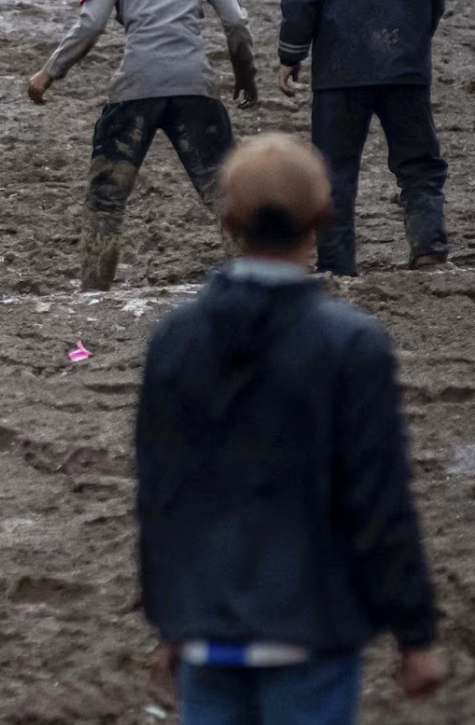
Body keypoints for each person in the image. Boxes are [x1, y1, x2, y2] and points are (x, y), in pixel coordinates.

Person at [136, 133, 449, 723]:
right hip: (313, 627)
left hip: (207, 628)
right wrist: (414, 634)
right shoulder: (350, 344)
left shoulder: (175, 340)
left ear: (228, 221)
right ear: (322, 218)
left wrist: (169, 619)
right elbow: (378, 498)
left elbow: (160, 491)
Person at [28, 0, 256, 290]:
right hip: (196, 87)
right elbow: (236, 24)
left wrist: (49, 72)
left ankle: (94, 294)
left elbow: (91, 25)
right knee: (226, 195)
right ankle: (258, 284)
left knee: (106, 200)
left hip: (134, 88)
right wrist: (246, 77)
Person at [277, 0, 446, 276]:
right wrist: (413, 41)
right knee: (419, 163)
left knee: (333, 171)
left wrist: (291, 54)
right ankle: (429, 248)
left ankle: (337, 266)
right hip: (405, 66)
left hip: (341, 71)